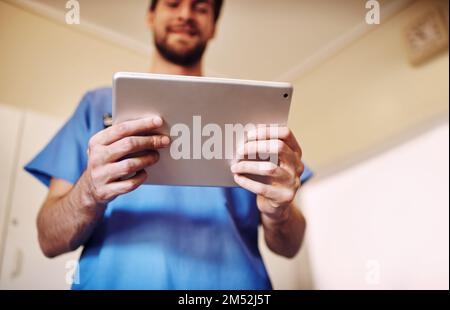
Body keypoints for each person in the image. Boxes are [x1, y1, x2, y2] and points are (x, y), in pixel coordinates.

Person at [25, 0, 313, 289]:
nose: (185, 14)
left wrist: (278, 212)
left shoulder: (252, 111)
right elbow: (49, 239)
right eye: (173, 3)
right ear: (151, 15)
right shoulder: (96, 105)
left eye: (200, 8)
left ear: (213, 26)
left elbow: (290, 246)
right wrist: (88, 190)